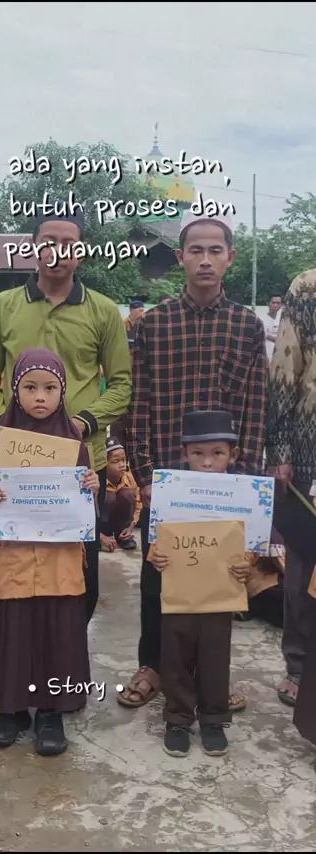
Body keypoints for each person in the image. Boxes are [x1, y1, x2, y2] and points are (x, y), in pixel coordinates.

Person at [121, 209, 267, 713]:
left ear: (231, 258)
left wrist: (245, 485)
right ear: (181, 257)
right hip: (168, 481)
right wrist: (144, 476)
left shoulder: (247, 326)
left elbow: (255, 406)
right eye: (196, 250)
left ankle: (211, 676)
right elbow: (139, 403)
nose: (205, 260)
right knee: (158, 574)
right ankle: (153, 666)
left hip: (225, 484)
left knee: (218, 579)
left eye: (215, 250)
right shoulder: (154, 325)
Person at [0, 206, 131, 625]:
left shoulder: (104, 311)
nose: (58, 251)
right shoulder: (4, 306)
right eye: (49, 242)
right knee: (18, 564)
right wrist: (4, 426)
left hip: (81, 464)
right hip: (17, 461)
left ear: (81, 250)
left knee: (79, 572)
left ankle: (65, 655)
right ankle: (20, 654)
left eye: (68, 243)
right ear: (33, 247)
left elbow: (121, 385)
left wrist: (80, 423)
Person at [0, 348, 100, 756]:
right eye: (29, 387)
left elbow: (85, 509)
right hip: (14, 557)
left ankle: (50, 711)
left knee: (56, 632)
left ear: (62, 392)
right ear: (15, 391)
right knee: (16, 630)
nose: (39, 396)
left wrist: (92, 488)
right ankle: (11, 709)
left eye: (49, 388)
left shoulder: (74, 444)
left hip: (60, 561)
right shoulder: (1, 440)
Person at [148, 410, 251, 757]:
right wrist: (157, 557)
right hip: (179, 592)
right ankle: (178, 719)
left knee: (214, 658)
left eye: (217, 453)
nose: (207, 462)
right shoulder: (172, 492)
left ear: (232, 455)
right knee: (175, 656)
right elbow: (156, 541)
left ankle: (213, 719)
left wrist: (246, 565)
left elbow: (250, 544)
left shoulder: (241, 495)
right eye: (197, 453)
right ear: (184, 453)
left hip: (219, 595)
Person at [266, 269, 316, 708]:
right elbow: (285, 369)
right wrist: (280, 449)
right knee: (303, 565)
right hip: (308, 454)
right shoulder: (308, 287)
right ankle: (300, 666)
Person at [101, 436, 141, 552]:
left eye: (123, 460)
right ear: (104, 464)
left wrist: (131, 525)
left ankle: (123, 536)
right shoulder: (97, 481)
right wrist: (100, 536)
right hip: (101, 527)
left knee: (127, 494)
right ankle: (101, 539)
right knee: (108, 496)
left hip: (119, 522)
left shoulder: (130, 477)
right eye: (115, 461)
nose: (122, 465)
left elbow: (139, 504)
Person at [262, 295, 283, 363]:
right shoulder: (262, 319)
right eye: (273, 302)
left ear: (281, 305)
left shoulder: (283, 320)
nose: (275, 305)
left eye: (278, 303)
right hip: (266, 354)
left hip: (280, 354)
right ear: (268, 304)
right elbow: (262, 336)